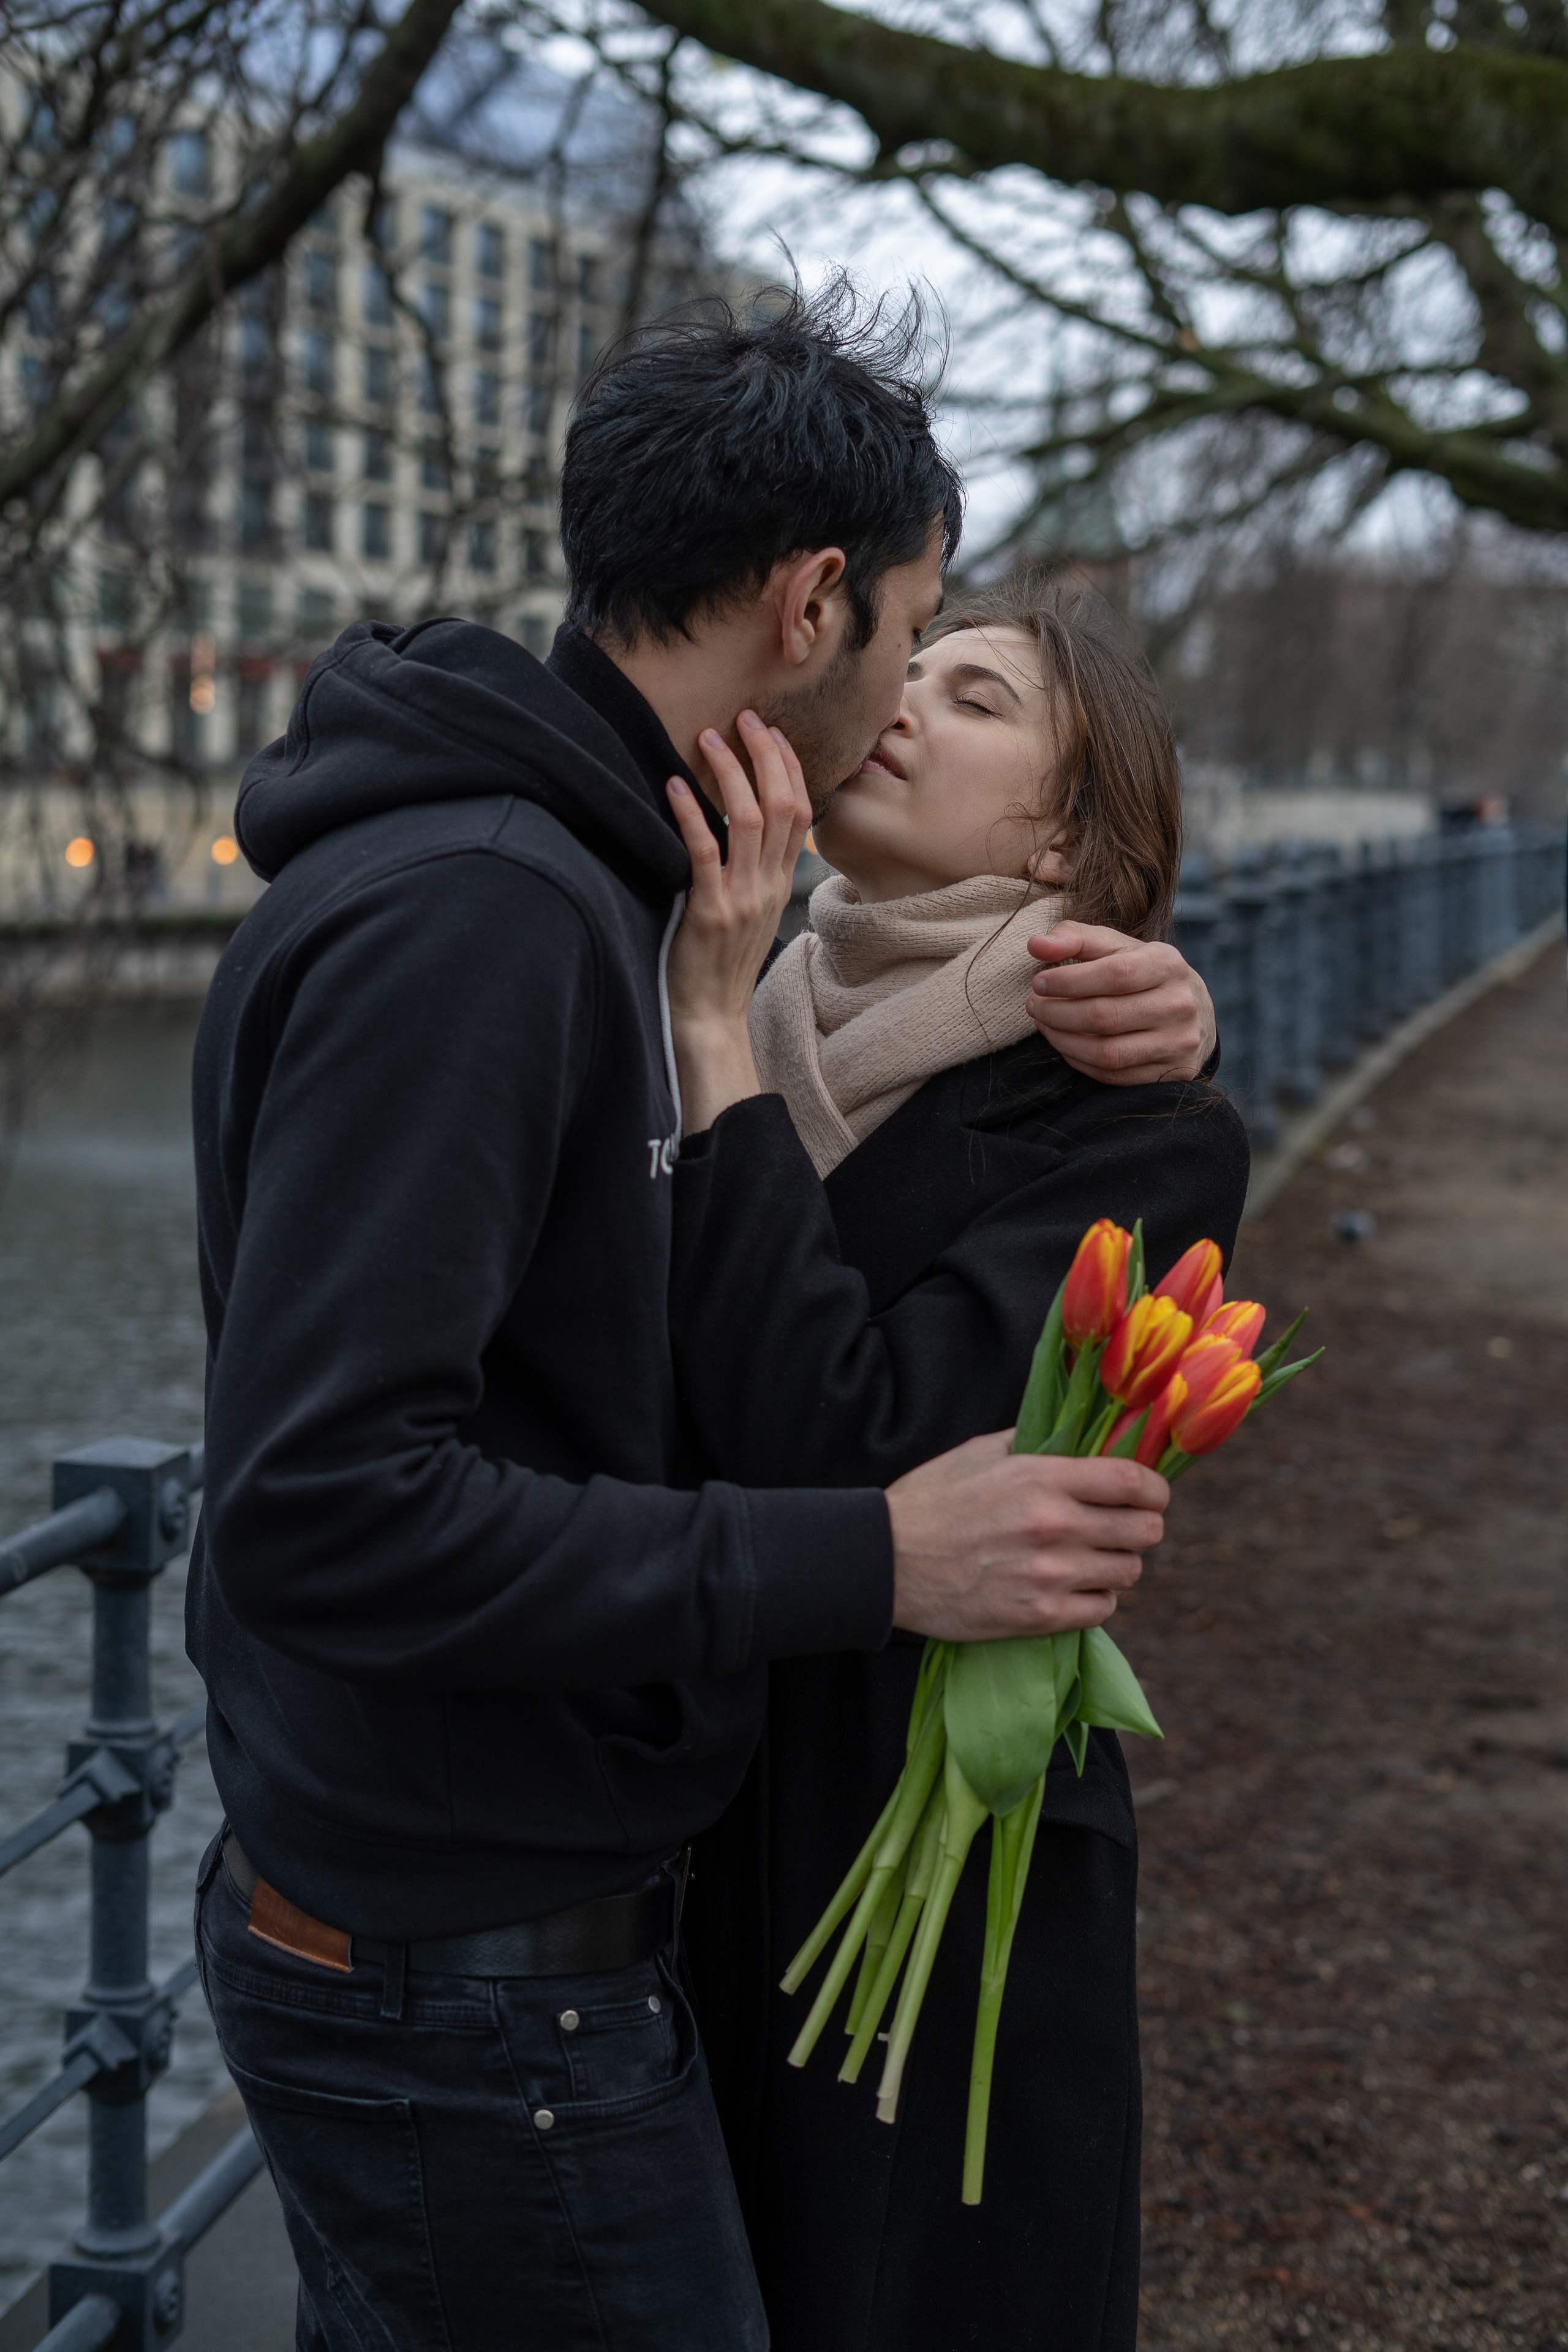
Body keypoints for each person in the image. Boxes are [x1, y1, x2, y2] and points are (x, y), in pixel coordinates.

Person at [187, 284, 1215, 2351]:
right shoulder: (500, 911)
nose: (915, 682)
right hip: (469, 1972)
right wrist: (873, 1548)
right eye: (921, 629)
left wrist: (1162, 1004)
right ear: (817, 604)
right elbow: (321, 1502)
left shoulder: (625, 896)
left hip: (526, 1939)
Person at [661, 572, 1251, 2351]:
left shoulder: (1131, 1120)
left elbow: (853, 1444)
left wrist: (708, 1042)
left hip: (937, 1867)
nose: (900, 702)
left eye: (975, 698)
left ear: (1074, 835)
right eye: (910, 667)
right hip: (694, 1826)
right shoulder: (753, 980)